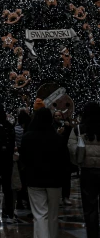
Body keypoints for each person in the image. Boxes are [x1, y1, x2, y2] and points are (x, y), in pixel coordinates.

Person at [20, 106, 68, 238]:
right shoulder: (58, 138)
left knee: (40, 214)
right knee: (53, 215)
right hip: (55, 180)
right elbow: (65, 160)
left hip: (34, 179)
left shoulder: (27, 137)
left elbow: (23, 159)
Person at [68, 101, 100, 238]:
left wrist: (78, 162)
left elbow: (71, 149)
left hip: (87, 172)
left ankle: (92, 234)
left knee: (89, 206)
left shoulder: (78, 130)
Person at [53, 110, 73, 205]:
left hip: (65, 152)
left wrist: (68, 127)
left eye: (59, 115)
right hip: (55, 154)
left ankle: (66, 196)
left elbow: (70, 137)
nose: (58, 117)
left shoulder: (66, 125)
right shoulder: (52, 126)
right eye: (56, 116)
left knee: (66, 177)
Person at [15, 110, 31, 210]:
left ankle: (19, 201)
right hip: (28, 156)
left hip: (19, 156)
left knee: (20, 180)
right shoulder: (30, 129)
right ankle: (27, 201)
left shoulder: (16, 129)